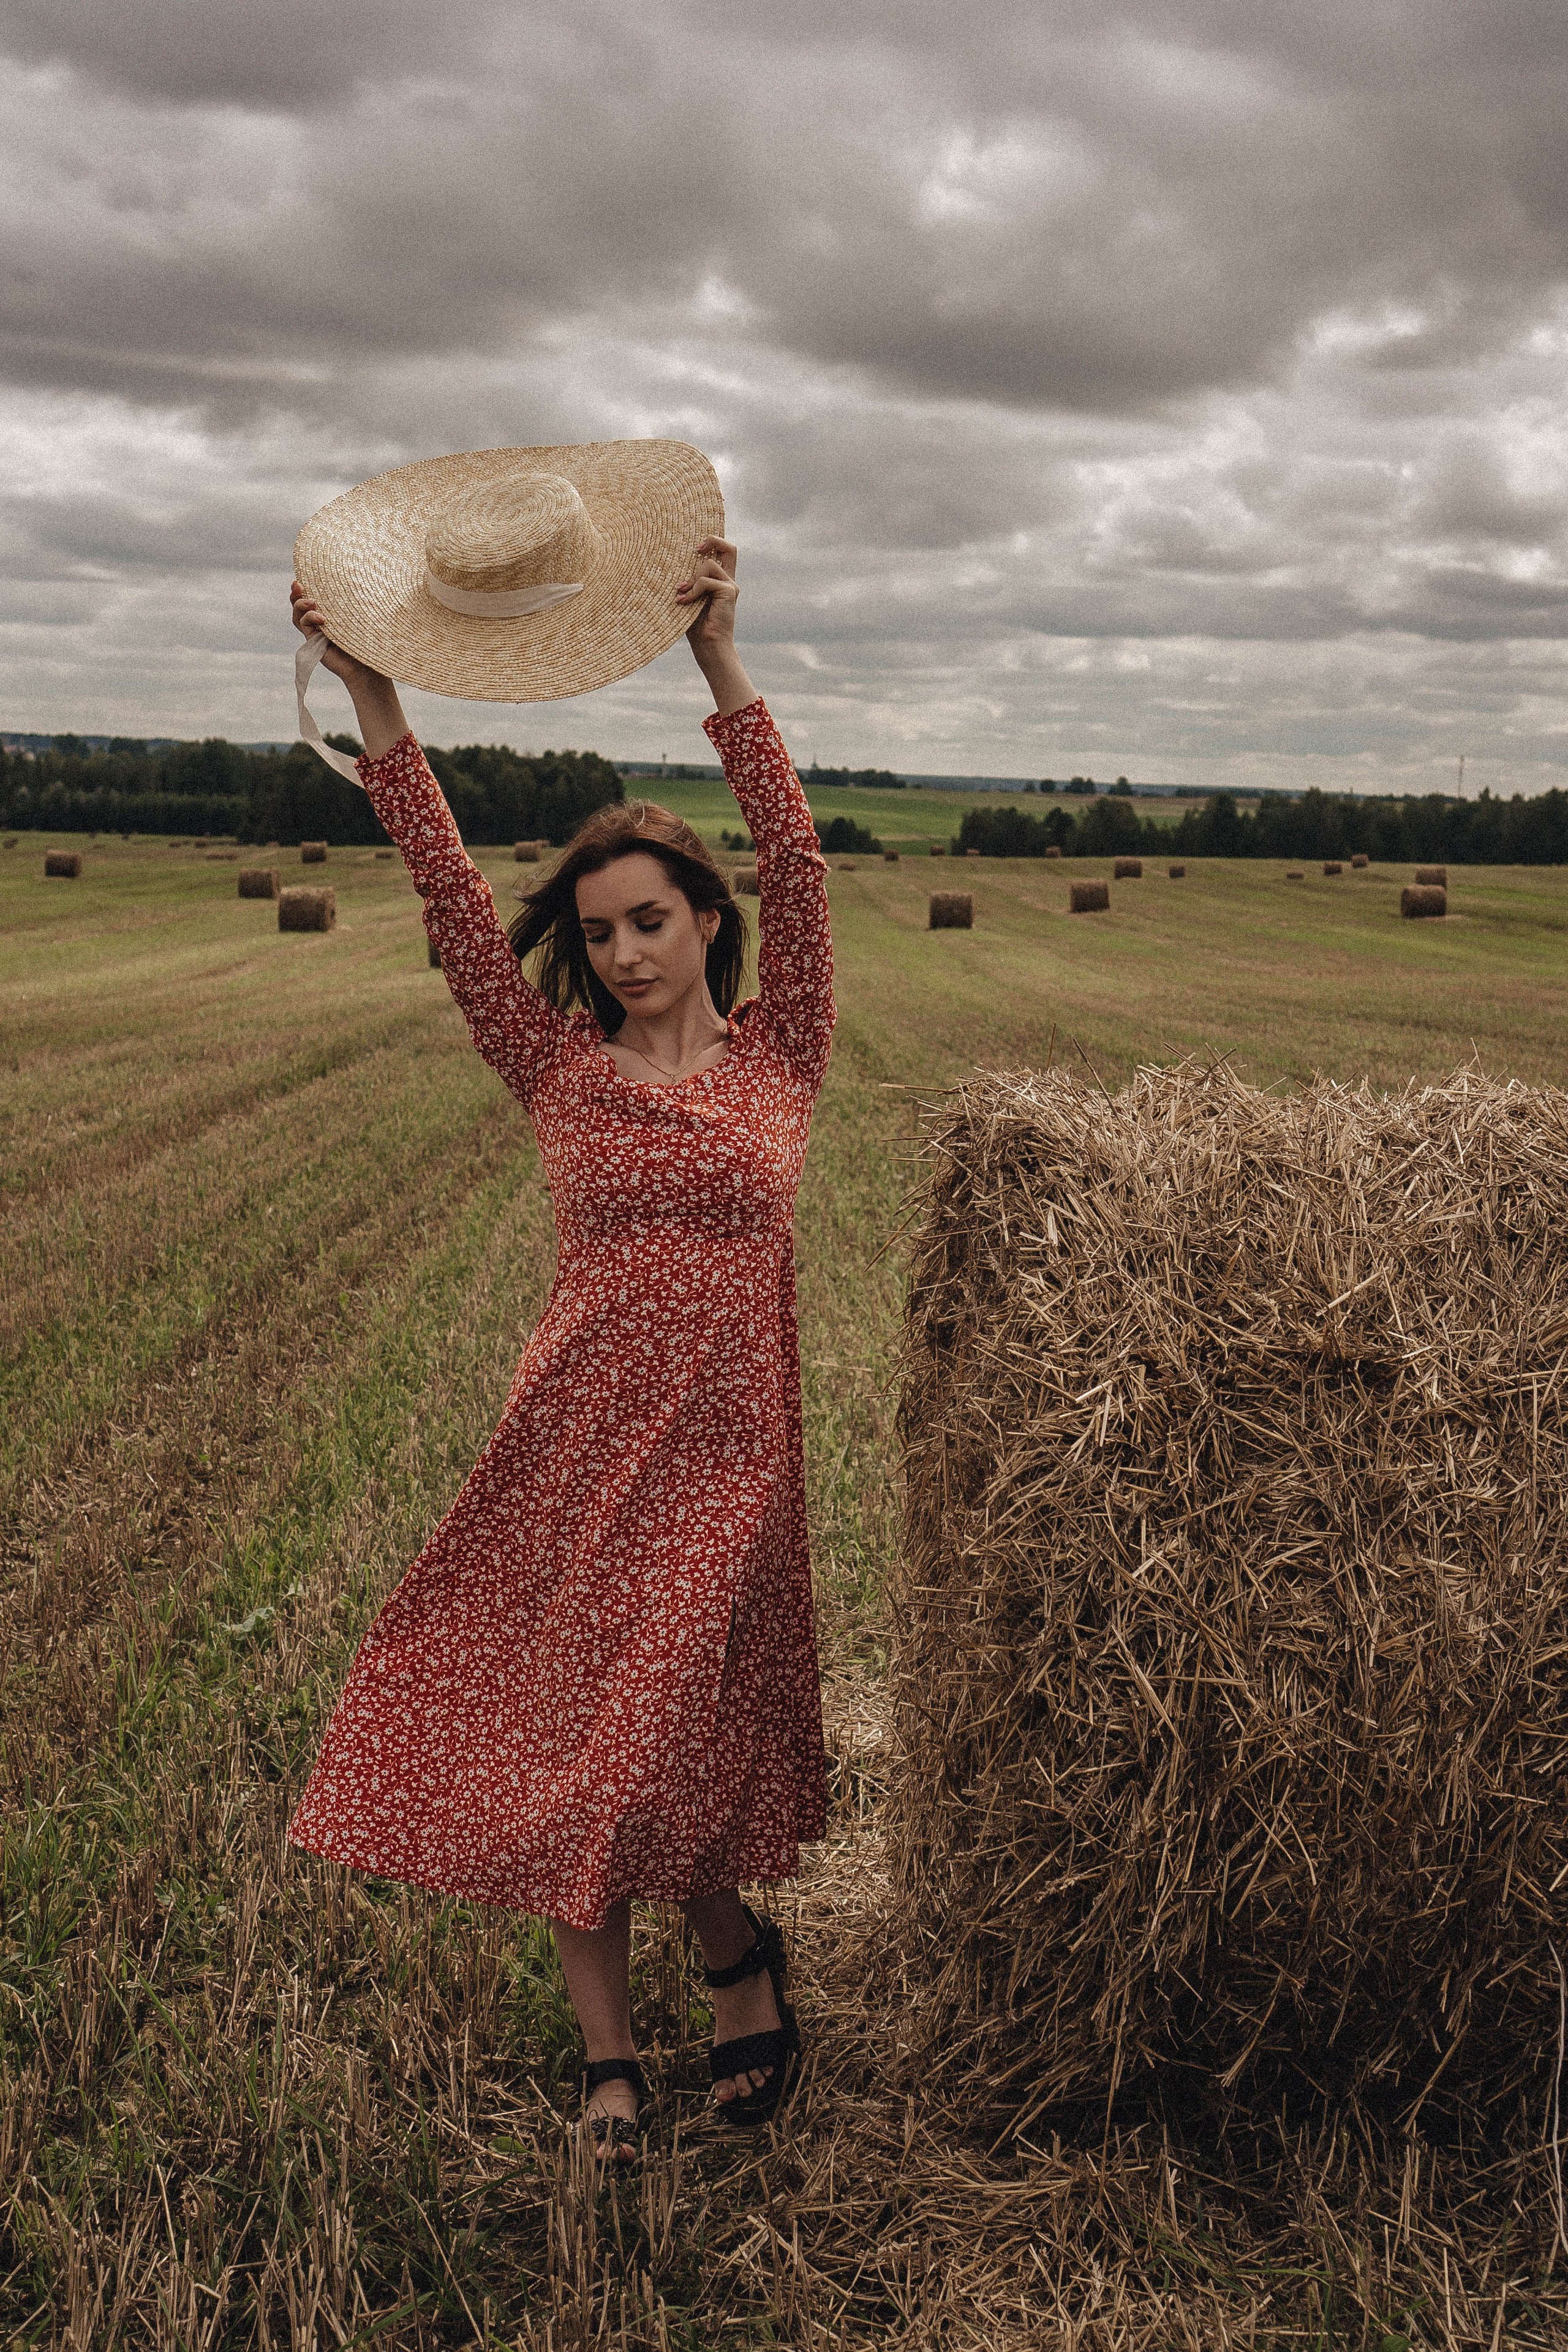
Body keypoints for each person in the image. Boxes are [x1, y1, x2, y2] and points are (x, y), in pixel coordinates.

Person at [286, 534, 835, 2167]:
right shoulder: (556, 1072)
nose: (624, 952)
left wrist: (722, 665)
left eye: (651, 920)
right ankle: (616, 2055)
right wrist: (375, 693)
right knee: (575, 1740)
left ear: (704, 918)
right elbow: (455, 903)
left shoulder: (782, 1048)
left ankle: (730, 1942)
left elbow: (802, 864)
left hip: (732, 1457)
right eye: (598, 933)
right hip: (575, 1438)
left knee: (660, 1736)